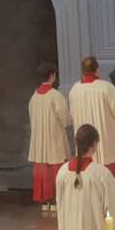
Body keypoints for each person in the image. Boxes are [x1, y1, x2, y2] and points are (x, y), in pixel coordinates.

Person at [68, 56, 115, 204]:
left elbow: (72, 113)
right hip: (106, 141)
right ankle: (113, 205)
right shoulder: (106, 87)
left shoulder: (74, 90)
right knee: (112, 187)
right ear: (97, 69)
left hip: (85, 143)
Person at [28, 62, 72, 213]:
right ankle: (55, 199)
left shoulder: (34, 96)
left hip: (39, 139)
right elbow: (65, 118)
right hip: (54, 138)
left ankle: (46, 200)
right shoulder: (56, 96)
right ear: (52, 76)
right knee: (55, 167)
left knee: (43, 168)